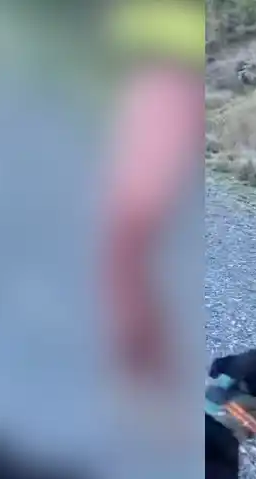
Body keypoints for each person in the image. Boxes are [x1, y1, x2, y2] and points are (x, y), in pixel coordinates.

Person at [103, 0, 204, 385]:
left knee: (129, 240)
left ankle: (147, 374)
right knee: (125, 246)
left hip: (165, 83)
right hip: (149, 83)